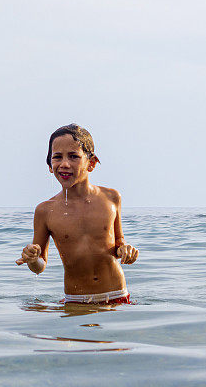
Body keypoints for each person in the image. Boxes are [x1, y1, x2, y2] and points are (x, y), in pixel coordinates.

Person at [16, 124, 139, 304]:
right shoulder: (45, 210)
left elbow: (119, 244)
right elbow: (39, 266)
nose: (65, 164)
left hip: (118, 297)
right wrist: (32, 259)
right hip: (75, 301)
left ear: (91, 163)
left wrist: (126, 250)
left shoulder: (111, 198)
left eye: (73, 156)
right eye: (57, 157)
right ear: (50, 165)